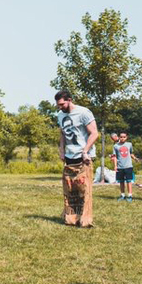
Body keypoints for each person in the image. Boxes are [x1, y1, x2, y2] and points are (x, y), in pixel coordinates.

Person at [55, 89, 99, 227]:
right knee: (71, 190)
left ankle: (85, 219)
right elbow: (63, 134)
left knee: (84, 190)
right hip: (70, 157)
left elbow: (94, 133)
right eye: (58, 105)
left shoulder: (83, 112)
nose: (60, 107)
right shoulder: (60, 115)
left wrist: (85, 151)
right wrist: (62, 151)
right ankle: (71, 217)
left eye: (62, 104)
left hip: (84, 157)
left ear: (69, 100)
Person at [112, 132, 135, 202]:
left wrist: (134, 158)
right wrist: (115, 166)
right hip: (120, 166)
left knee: (129, 181)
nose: (122, 138)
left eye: (124, 137)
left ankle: (130, 195)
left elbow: (131, 153)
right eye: (121, 137)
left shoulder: (129, 144)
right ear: (119, 137)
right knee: (121, 181)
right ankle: (122, 195)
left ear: (126, 137)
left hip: (128, 166)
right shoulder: (115, 146)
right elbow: (115, 157)